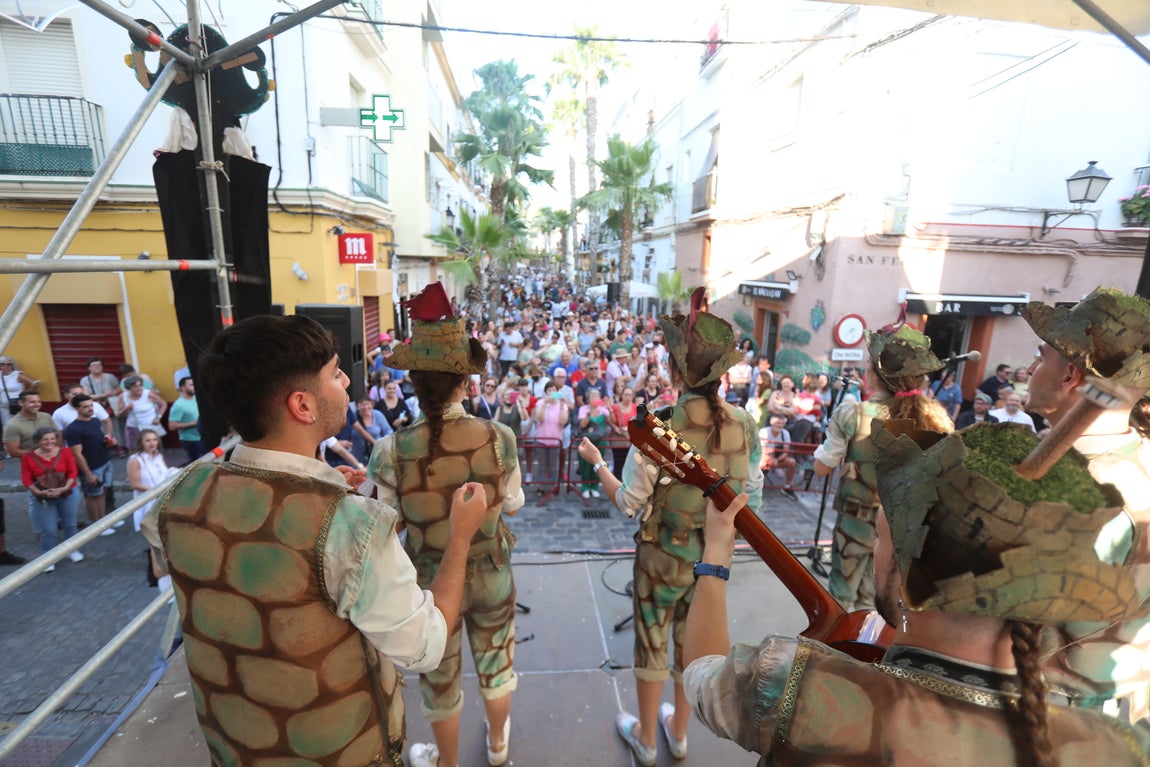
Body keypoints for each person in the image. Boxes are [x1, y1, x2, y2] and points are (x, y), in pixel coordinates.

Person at [681, 428, 1150, 765]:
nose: (875, 549)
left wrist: (715, 555)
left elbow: (699, 671)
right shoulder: (1116, 747)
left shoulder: (788, 687)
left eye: (881, 535)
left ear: (907, 572)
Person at [142, 312, 488, 767]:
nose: (346, 382)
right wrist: (460, 535)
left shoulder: (179, 493)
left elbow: (221, 558)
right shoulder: (351, 525)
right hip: (341, 751)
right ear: (303, 406)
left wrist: (319, 486)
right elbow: (424, 646)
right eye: (335, 373)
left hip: (235, 747)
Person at [577, 289, 764, 767]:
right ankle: (678, 735)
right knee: (690, 647)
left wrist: (598, 464)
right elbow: (753, 497)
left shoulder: (658, 428)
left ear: (677, 373)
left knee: (651, 644)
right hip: (712, 562)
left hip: (660, 559)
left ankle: (645, 737)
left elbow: (629, 503)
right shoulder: (745, 425)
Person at [367, 283, 525, 767]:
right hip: (493, 574)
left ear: (414, 382)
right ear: (466, 383)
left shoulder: (390, 451)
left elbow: (387, 526)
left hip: (431, 583)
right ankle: (498, 747)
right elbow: (513, 505)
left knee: (438, 674)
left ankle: (448, 761)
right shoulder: (499, 437)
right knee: (497, 664)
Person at [1020, 288, 1150, 725]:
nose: (1030, 370)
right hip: (1124, 712)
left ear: (1069, 376)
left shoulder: (1080, 489)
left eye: (1040, 357)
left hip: (1058, 717)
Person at [813, 315, 952, 612]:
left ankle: (840, 640)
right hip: (902, 530)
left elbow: (821, 467)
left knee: (840, 596)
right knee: (877, 600)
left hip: (855, 523)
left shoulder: (853, 414)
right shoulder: (936, 420)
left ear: (874, 375)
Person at [21, 427, 83, 572]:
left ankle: (73, 549)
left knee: (70, 524)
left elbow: (73, 472)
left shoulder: (65, 452)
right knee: (48, 529)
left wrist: (64, 488)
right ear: (38, 441)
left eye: (52, 439)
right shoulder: (28, 457)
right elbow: (26, 479)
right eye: (45, 439)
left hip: (67, 493)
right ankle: (47, 556)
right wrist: (39, 492)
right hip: (43, 496)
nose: (49, 442)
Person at [63, 394, 119, 536]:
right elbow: (77, 454)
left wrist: (109, 442)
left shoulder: (95, 421)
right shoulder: (73, 429)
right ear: (77, 409)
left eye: (91, 405)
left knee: (102, 492)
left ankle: (103, 520)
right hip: (92, 467)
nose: (90, 409)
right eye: (85, 407)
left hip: (105, 461)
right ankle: (96, 525)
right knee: (93, 495)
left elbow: (98, 440)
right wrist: (88, 474)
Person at [127, 428, 176, 533]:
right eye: (148, 440)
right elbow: (134, 485)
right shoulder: (135, 460)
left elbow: (163, 474)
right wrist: (157, 492)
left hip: (164, 499)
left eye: (154, 439)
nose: (152, 443)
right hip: (149, 503)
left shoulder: (158, 455)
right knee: (154, 534)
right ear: (141, 442)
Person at [532, 381, 568, 492]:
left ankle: (553, 487)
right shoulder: (540, 402)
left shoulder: (562, 405)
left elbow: (563, 421)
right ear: (546, 392)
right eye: (549, 390)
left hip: (555, 440)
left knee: (553, 465)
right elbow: (539, 418)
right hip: (541, 439)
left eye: (554, 390)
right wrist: (544, 404)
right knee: (541, 464)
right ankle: (541, 487)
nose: (552, 392)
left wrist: (561, 407)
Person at [115, 375, 166, 452]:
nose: (138, 388)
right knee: (134, 450)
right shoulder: (123, 396)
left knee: (154, 450)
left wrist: (158, 417)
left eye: (140, 385)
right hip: (133, 427)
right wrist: (127, 408)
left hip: (150, 426)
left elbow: (163, 404)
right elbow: (119, 414)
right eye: (135, 386)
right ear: (129, 388)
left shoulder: (148, 393)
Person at [576, 389, 610, 498]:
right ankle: (585, 486)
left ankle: (595, 486)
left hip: (600, 441)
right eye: (593, 396)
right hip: (587, 441)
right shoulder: (583, 409)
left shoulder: (603, 409)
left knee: (598, 463)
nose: (595, 398)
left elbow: (611, 421)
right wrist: (589, 413)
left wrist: (609, 409)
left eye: (597, 396)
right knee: (585, 464)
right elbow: (582, 425)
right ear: (588, 399)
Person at [759, 414, 798, 498]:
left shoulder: (785, 433)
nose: (780, 425)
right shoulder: (764, 431)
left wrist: (777, 459)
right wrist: (769, 458)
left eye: (782, 423)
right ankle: (756, 485)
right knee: (762, 462)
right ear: (771, 422)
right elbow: (761, 450)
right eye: (778, 423)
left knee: (792, 462)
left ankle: (787, 486)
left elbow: (786, 451)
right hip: (764, 457)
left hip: (777, 458)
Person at [167, 376, 205, 461]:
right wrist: (193, 423)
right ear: (182, 388)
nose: (194, 387)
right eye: (191, 385)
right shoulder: (178, 405)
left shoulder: (196, 398)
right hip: (191, 440)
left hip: (202, 436)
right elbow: (172, 426)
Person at [349, 395, 392, 465]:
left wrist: (383, 443)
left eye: (367, 404)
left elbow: (388, 430)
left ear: (371, 405)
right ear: (358, 406)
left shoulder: (378, 415)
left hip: (376, 452)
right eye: (363, 405)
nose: (366, 407)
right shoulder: (353, 418)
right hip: (358, 455)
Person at [608, 385, 638, 481]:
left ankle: (627, 484)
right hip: (618, 438)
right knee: (618, 463)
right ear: (622, 395)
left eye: (630, 395)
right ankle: (616, 484)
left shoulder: (635, 407)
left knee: (629, 464)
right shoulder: (615, 407)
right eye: (626, 394)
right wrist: (615, 427)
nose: (628, 397)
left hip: (631, 438)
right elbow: (608, 420)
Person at [0, 355, 38, 432]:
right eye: (3, 364)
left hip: (17, 405)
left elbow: (34, 384)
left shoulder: (17, 375)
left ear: (12, 366)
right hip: (3, 406)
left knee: (21, 425)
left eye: (9, 364)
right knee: (6, 427)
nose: (6, 366)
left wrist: (25, 395)